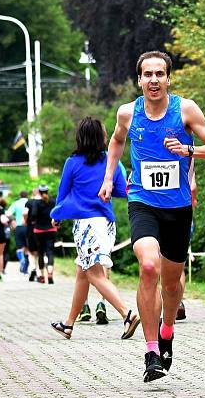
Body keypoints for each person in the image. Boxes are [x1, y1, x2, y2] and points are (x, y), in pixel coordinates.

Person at [99, 50, 205, 383]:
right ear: (139, 80)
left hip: (178, 208)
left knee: (172, 284)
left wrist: (188, 150)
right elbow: (115, 141)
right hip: (143, 202)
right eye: (147, 75)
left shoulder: (185, 109)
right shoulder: (128, 113)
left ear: (168, 78)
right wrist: (109, 177)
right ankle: (152, 351)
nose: (153, 80)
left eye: (160, 74)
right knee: (149, 266)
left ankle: (167, 329)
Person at [49, 117, 141, 339]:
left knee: (95, 275)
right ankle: (69, 323)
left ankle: (127, 314)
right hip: (106, 225)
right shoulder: (112, 162)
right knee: (83, 273)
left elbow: (62, 195)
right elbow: (121, 191)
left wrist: (56, 215)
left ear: (80, 138)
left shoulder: (73, 163)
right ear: (101, 137)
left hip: (86, 226)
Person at [33, 185, 57, 284]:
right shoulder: (53, 202)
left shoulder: (36, 203)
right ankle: (50, 274)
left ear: (39, 192)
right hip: (51, 230)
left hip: (39, 230)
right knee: (50, 251)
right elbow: (56, 214)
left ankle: (42, 276)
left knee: (41, 253)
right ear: (48, 191)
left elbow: (33, 215)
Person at [7, 191, 31, 275]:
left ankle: (22, 260)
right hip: (28, 227)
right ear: (27, 195)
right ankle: (25, 268)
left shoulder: (16, 203)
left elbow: (8, 213)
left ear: (20, 196)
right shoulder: (30, 202)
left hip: (19, 227)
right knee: (27, 247)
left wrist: (13, 220)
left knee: (20, 247)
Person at [24, 188, 42, 281]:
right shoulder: (46, 202)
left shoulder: (29, 202)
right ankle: (40, 272)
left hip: (31, 228)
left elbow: (25, 213)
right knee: (41, 252)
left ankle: (33, 268)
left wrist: (25, 221)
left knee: (31, 251)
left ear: (33, 193)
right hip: (43, 229)